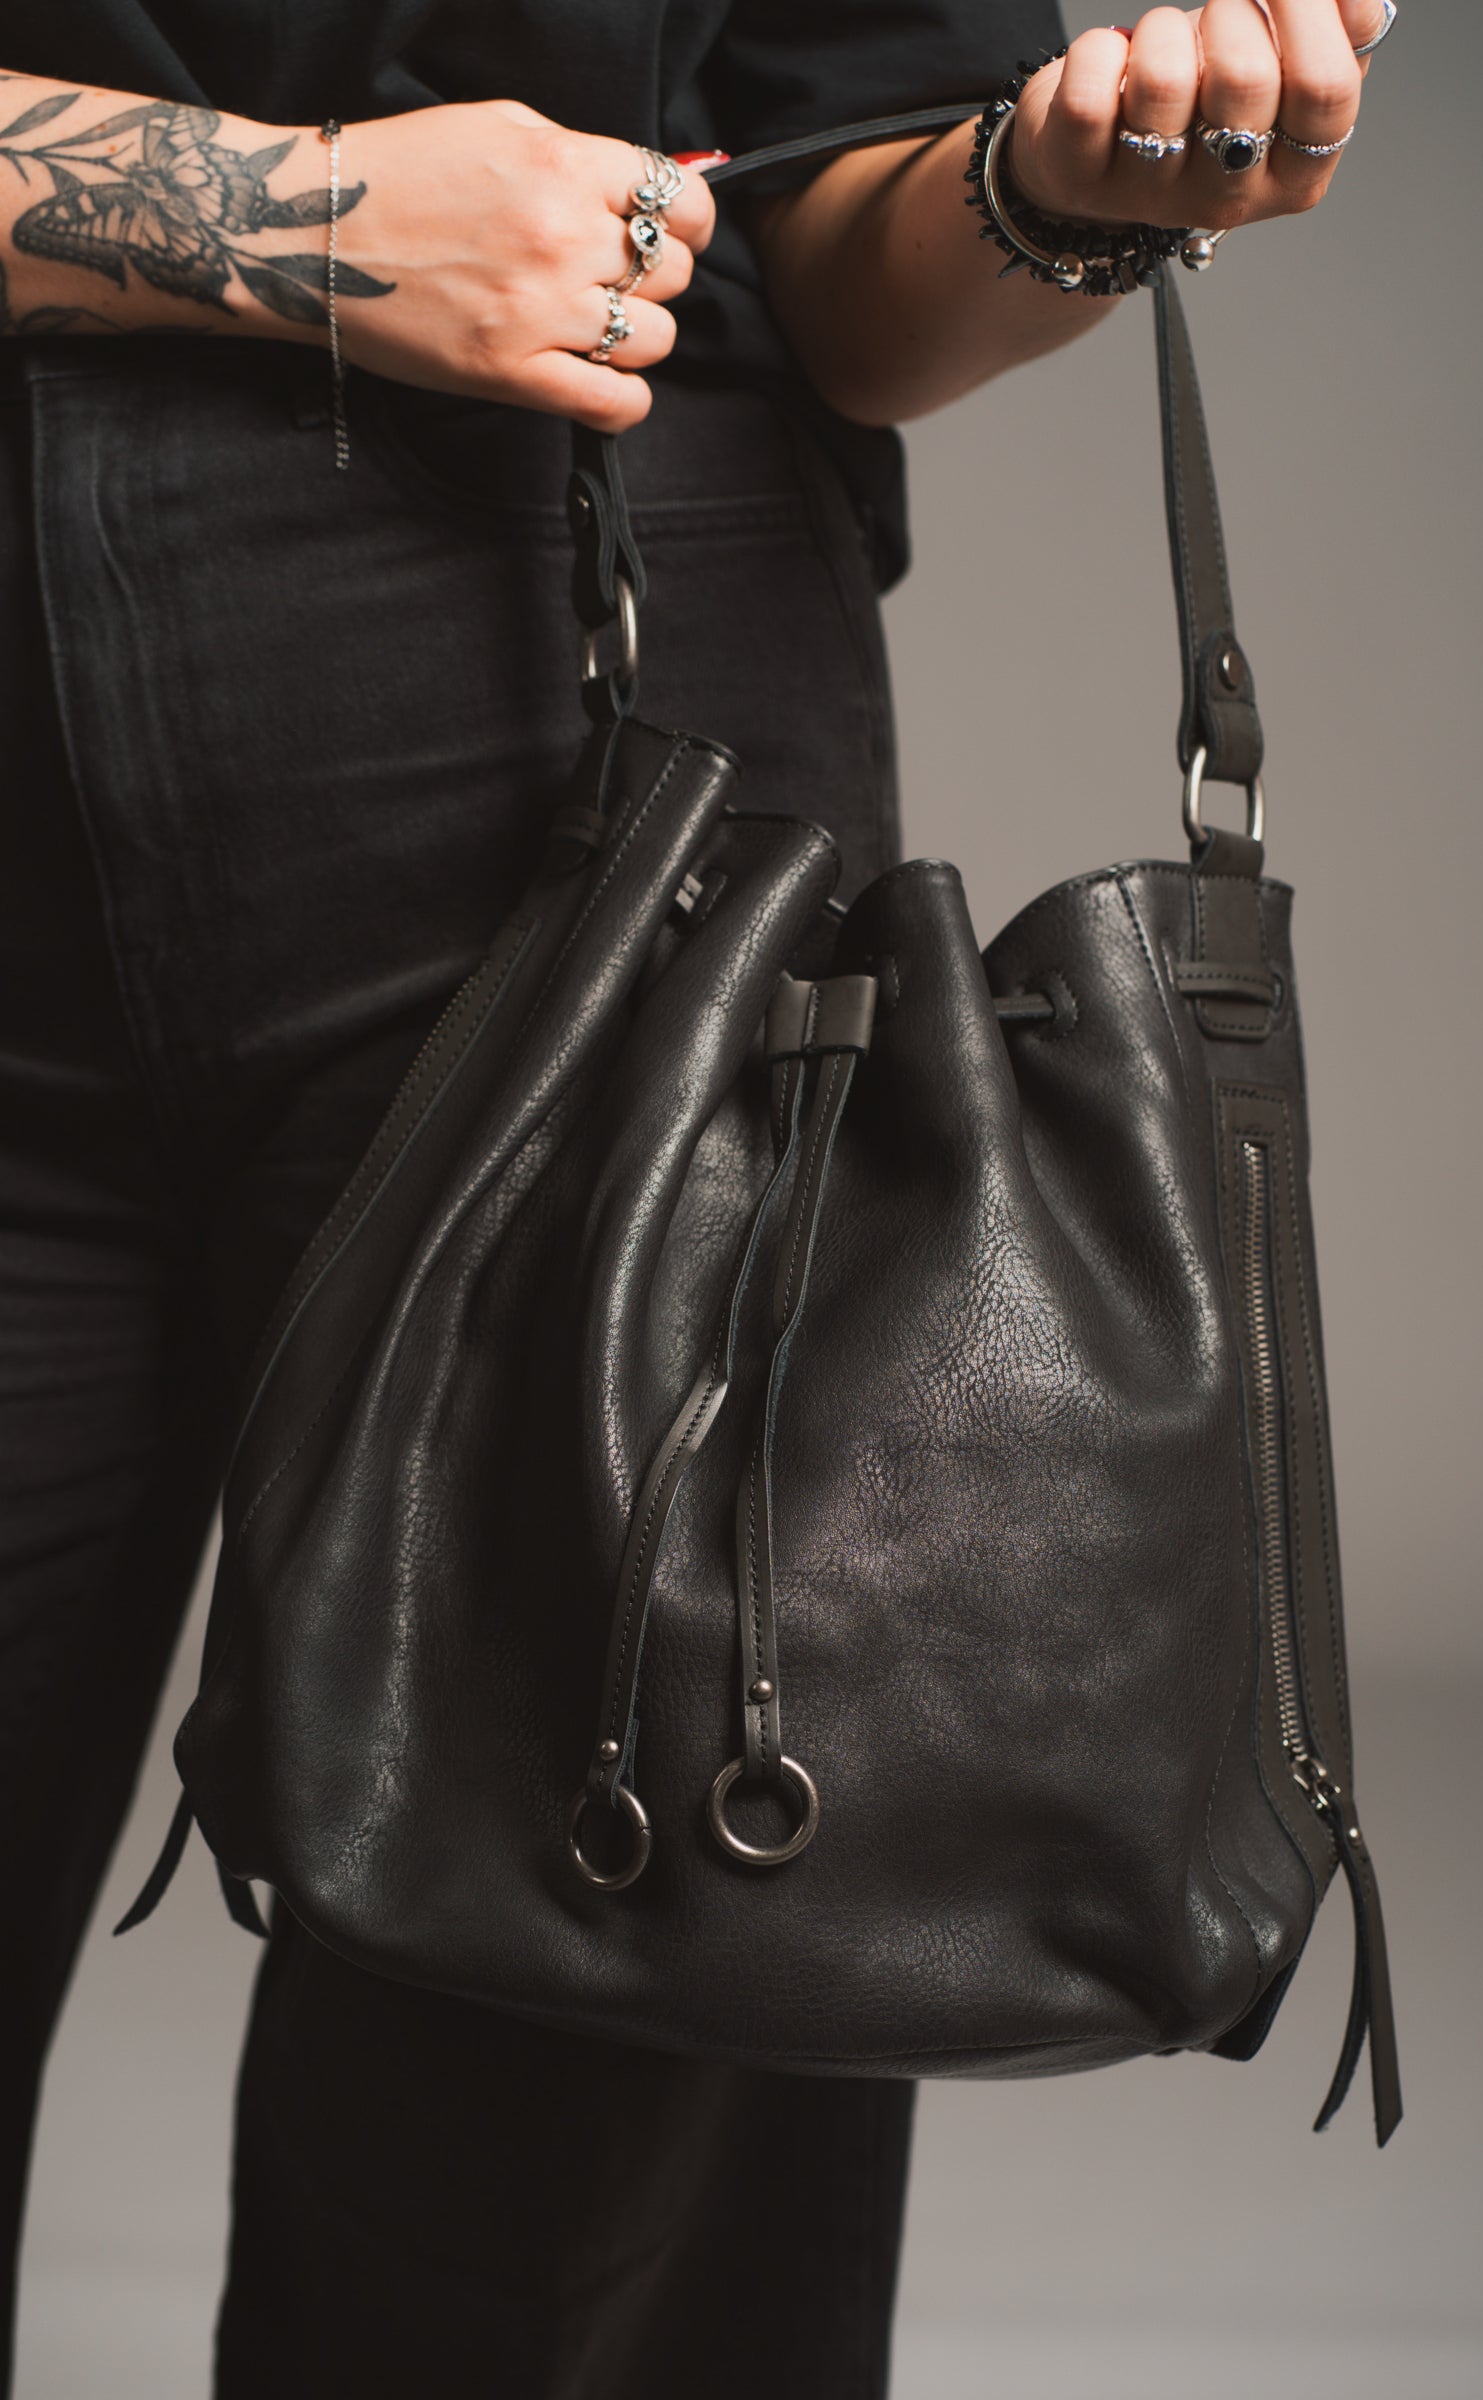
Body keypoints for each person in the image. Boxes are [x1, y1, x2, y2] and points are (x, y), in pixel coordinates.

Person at [0, 4, 1385, 2392]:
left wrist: (1054, 189)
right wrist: (291, 227)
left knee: (583, 2111)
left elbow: (841, 275)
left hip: (607, 786)